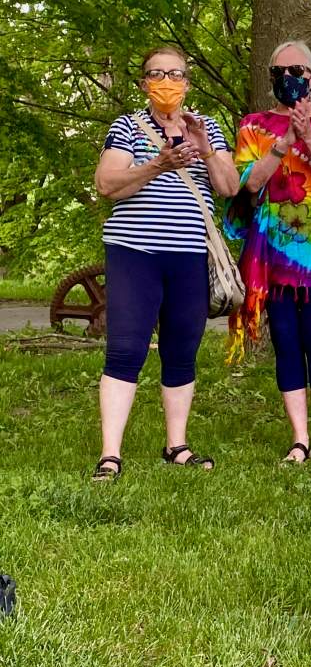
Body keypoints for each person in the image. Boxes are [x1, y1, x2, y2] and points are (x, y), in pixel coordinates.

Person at [91, 46, 239, 480]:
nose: (167, 82)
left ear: (188, 83)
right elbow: (106, 183)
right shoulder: (128, 128)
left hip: (189, 254)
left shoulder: (206, 127)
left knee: (182, 349)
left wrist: (205, 148)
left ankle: (177, 445)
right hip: (133, 254)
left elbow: (229, 187)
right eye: (157, 74)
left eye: (175, 74)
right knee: (125, 348)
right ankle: (110, 454)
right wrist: (158, 164)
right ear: (143, 84)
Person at [226, 40, 311, 466]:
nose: (286, 79)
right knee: (287, 341)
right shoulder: (254, 126)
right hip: (272, 256)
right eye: (277, 72)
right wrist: (283, 141)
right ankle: (299, 439)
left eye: (295, 70)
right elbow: (248, 185)